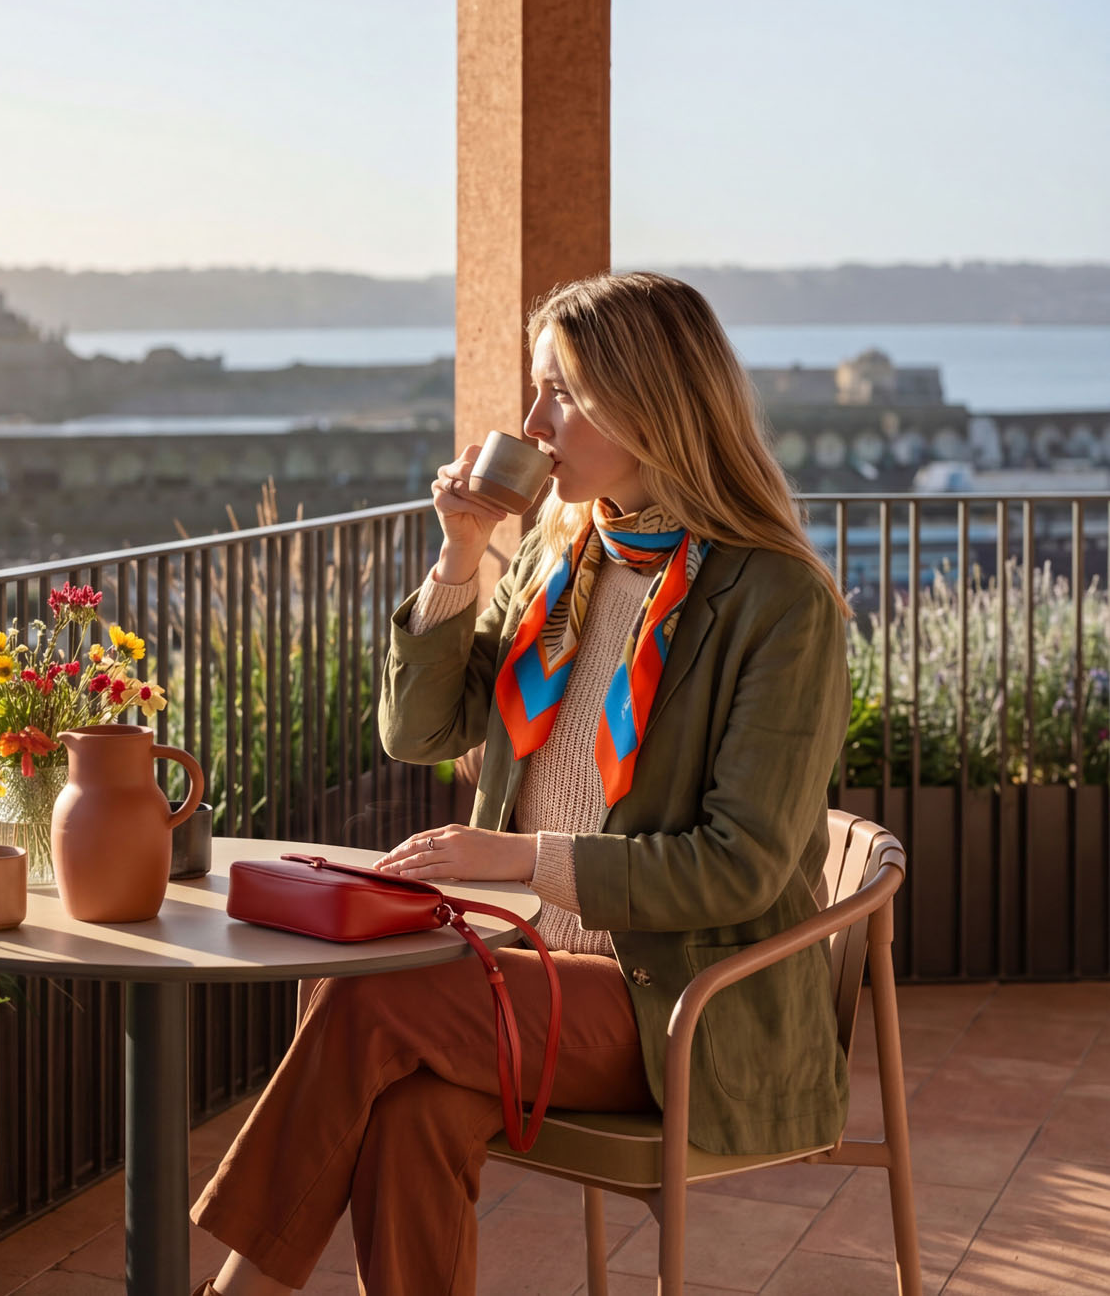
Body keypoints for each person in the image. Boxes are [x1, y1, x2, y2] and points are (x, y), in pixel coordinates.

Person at [190, 271, 854, 1295]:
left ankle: (234, 1287)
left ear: (653, 407)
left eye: (564, 394)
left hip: (681, 1004)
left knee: (376, 993)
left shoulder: (776, 602)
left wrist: (513, 857)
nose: (534, 423)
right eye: (538, 391)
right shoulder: (560, 559)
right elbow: (420, 732)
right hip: (535, 964)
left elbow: (742, 866)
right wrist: (459, 555)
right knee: (410, 1115)